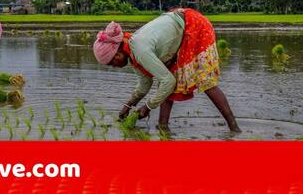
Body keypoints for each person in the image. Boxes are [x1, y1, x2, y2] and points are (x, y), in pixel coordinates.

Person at [93, 8, 241, 132]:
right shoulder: (131, 49)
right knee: (168, 81)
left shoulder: (139, 50)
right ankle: (163, 127)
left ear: (117, 53)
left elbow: (168, 82)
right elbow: (145, 83)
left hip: (194, 26)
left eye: (112, 63)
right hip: (180, 29)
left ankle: (234, 128)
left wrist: (148, 107)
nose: (114, 67)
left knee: (205, 81)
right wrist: (128, 105)